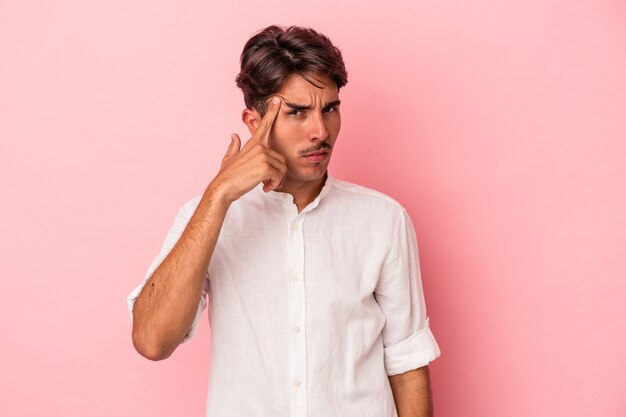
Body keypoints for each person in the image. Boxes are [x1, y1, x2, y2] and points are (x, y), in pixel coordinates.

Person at [127, 25, 441, 417]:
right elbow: (152, 341)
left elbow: (408, 361)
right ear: (255, 122)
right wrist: (219, 195)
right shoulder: (207, 217)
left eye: (330, 108)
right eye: (296, 112)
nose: (320, 131)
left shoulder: (382, 219)